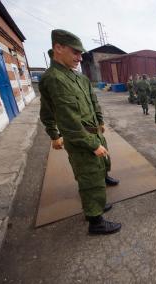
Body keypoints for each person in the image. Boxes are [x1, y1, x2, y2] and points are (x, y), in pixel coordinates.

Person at [39, 29, 121, 235]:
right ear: (58, 48)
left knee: (99, 170)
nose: (80, 57)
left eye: (80, 53)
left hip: (92, 132)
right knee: (90, 179)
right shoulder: (55, 79)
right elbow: (68, 122)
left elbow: (93, 102)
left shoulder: (74, 76)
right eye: (75, 52)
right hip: (81, 139)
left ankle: (96, 205)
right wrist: (91, 144)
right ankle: (95, 221)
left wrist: (99, 123)